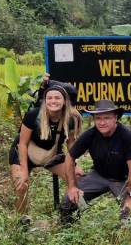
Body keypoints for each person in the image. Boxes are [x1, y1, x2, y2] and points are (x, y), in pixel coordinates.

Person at [9, 81, 82, 224]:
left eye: (57, 98)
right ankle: (22, 221)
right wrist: (24, 170)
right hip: (25, 152)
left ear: (64, 101)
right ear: (45, 100)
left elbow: (71, 144)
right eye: (50, 98)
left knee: (76, 178)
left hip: (51, 153)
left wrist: (75, 165)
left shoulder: (70, 119)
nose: (53, 101)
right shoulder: (33, 115)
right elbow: (22, 144)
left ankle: (68, 216)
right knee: (21, 184)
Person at [59, 99, 131, 222]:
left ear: (115, 118)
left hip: (123, 179)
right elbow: (70, 157)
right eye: (98, 118)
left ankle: (121, 236)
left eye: (106, 118)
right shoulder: (90, 134)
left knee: (129, 214)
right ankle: (70, 234)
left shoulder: (127, 135)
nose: (102, 122)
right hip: (99, 175)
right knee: (69, 202)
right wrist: (72, 186)